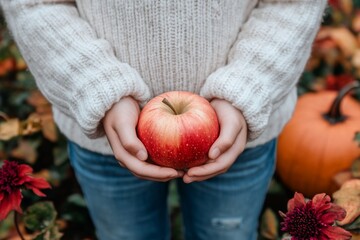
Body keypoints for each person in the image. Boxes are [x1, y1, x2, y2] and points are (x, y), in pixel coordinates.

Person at [0, 1, 327, 239]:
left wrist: (247, 88)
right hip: (106, 140)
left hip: (238, 136)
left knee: (229, 234)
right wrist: (98, 88)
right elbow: (34, 4)